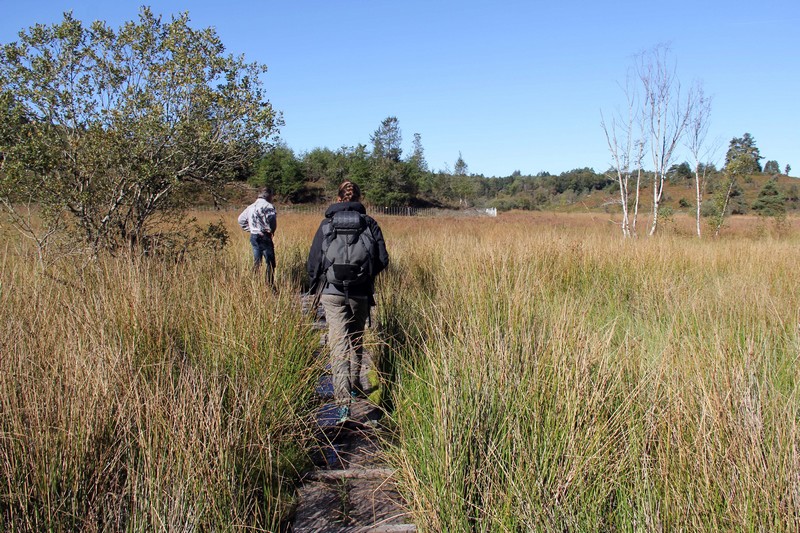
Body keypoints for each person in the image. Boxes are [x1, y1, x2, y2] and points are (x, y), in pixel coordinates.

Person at [307, 180, 389, 424]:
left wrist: (315, 287)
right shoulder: (369, 223)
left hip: (331, 293)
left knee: (338, 345)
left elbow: (314, 262)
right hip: (360, 293)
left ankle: (343, 404)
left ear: (338, 198)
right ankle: (354, 387)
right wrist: (366, 276)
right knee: (356, 340)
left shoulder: (327, 223)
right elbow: (383, 259)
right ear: (359, 199)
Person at [238, 188, 277, 285]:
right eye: (272, 195)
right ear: (268, 195)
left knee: (257, 262)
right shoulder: (268, 206)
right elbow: (272, 220)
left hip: (254, 236)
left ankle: (254, 284)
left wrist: (251, 229)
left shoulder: (251, 207)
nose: (272, 198)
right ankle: (269, 285)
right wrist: (272, 230)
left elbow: (241, 220)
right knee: (270, 263)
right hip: (265, 236)